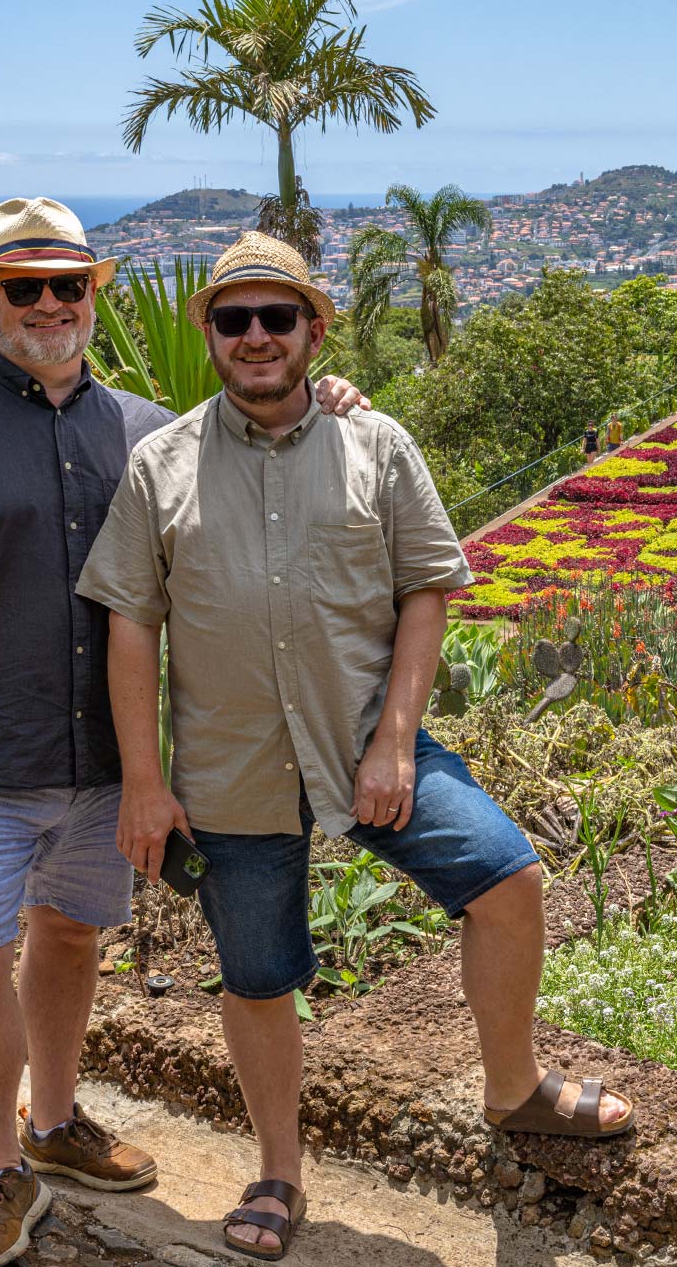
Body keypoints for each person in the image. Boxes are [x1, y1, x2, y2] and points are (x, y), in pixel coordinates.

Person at [79, 232, 637, 1262]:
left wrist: (392, 740)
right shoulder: (161, 465)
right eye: (233, 318)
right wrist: (144, 783)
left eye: (276, 317)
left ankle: (512, 1090)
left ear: (313, 329)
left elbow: (425, 586)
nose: (255, 336)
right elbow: (129, 623)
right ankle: (278, 1169)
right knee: (255, 976)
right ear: (208, 331)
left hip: (366, 749)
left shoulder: (376, 443)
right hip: (227, 765)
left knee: (507, 878)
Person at [0, 202, 367, 1267]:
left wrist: (338, 403)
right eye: (23, 288)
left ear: (96, 295)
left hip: (102, 767)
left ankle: (53, 1124)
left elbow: (261, 440)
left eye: (67, 285)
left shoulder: (142, 429)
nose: (48, 305)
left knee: (72, 936)